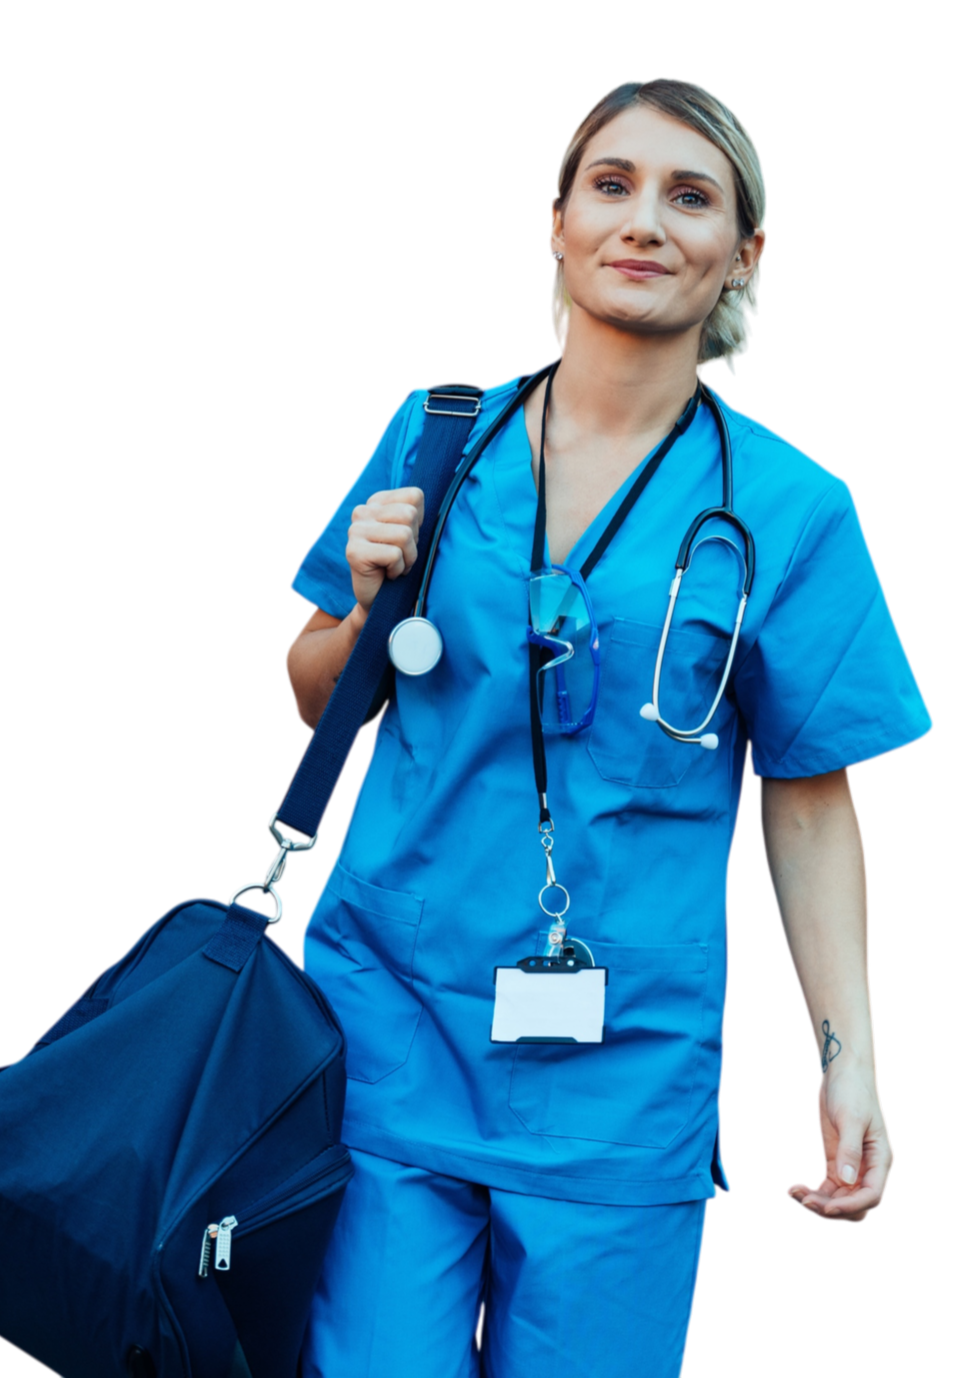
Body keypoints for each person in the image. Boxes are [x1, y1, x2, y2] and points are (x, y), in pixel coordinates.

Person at [285, 77, 932, 1378]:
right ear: (557, 224)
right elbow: (315, 691)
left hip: (623, 1083)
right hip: (387, 1035)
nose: (645, 221)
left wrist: (850, 1063)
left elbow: (808, 802)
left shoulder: (794, 511)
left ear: (745, 256)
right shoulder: (435, 437)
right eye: (613, 184)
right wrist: (360, 605)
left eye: (691, 196)